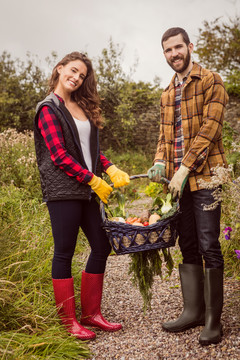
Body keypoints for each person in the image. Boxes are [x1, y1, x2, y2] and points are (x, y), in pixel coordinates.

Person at [34, 52, 130, 340]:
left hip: (87, 188)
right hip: (63, 191)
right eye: (73, 71)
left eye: (82, 75)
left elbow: (87, 150)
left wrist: (109, 167)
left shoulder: (80, 107)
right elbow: (60, 156)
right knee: (64, 251)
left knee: (101, 245)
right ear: (60, 68)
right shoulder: (48, 108)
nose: (76, 78)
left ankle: (92, 314)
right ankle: (69, 322)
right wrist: (93, 179)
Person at [148, 27, 229, 345]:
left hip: (207, 176)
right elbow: (163, 136)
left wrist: (182, 170)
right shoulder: (167, 93)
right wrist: (159, 161)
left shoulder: (211, 80)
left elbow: (210, 130)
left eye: (178, 47)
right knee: (188, 244)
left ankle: (213, 320)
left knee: (210, 244)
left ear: (190, 47)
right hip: (177, 182)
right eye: (168, 50)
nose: (174, 54)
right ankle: (193, 310)